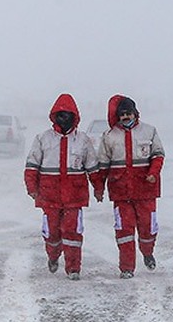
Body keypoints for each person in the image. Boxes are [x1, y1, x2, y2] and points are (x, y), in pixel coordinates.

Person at [24, 93, 99, 281]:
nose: (64, 119)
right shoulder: (42, 139)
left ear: (75, 117)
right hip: (49, 195)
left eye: (68, 115)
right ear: (54, 116)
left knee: (73, 232)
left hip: (75, 196)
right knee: (52, 233)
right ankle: (53, 255)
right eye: (60, 115)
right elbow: (32, 165)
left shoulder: (83, 140)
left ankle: (73, 268)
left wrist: (98, 187)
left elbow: (92, 167)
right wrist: (31, 187)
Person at [92, 95, 165, 279]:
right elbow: (102, 165)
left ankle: (147, 252)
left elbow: (158, 155)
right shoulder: (109, 137)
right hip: (120, 192)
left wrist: (153, 173)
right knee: (124, 231)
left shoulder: (149, 131)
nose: (126, 117)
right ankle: (127, 268)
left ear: (135, 113)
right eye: (122, 114)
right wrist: (99, 188)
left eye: (129, 113)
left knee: (148, 229)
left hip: (146, 191)